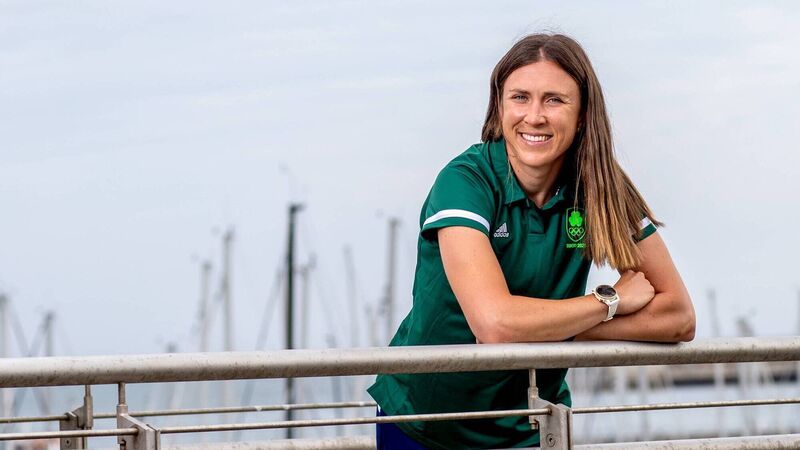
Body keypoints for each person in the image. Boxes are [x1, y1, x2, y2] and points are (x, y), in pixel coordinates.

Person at [367, 33, 696, 449]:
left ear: (583, 115)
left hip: (533, 427)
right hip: (426, 423)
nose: (534, 116)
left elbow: (679, 316)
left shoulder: (600, 187)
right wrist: (607, 302)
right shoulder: (465, 181)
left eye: (554, 100)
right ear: (500, 106)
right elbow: (495, 325)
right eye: (520, 98)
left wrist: (556, 329)